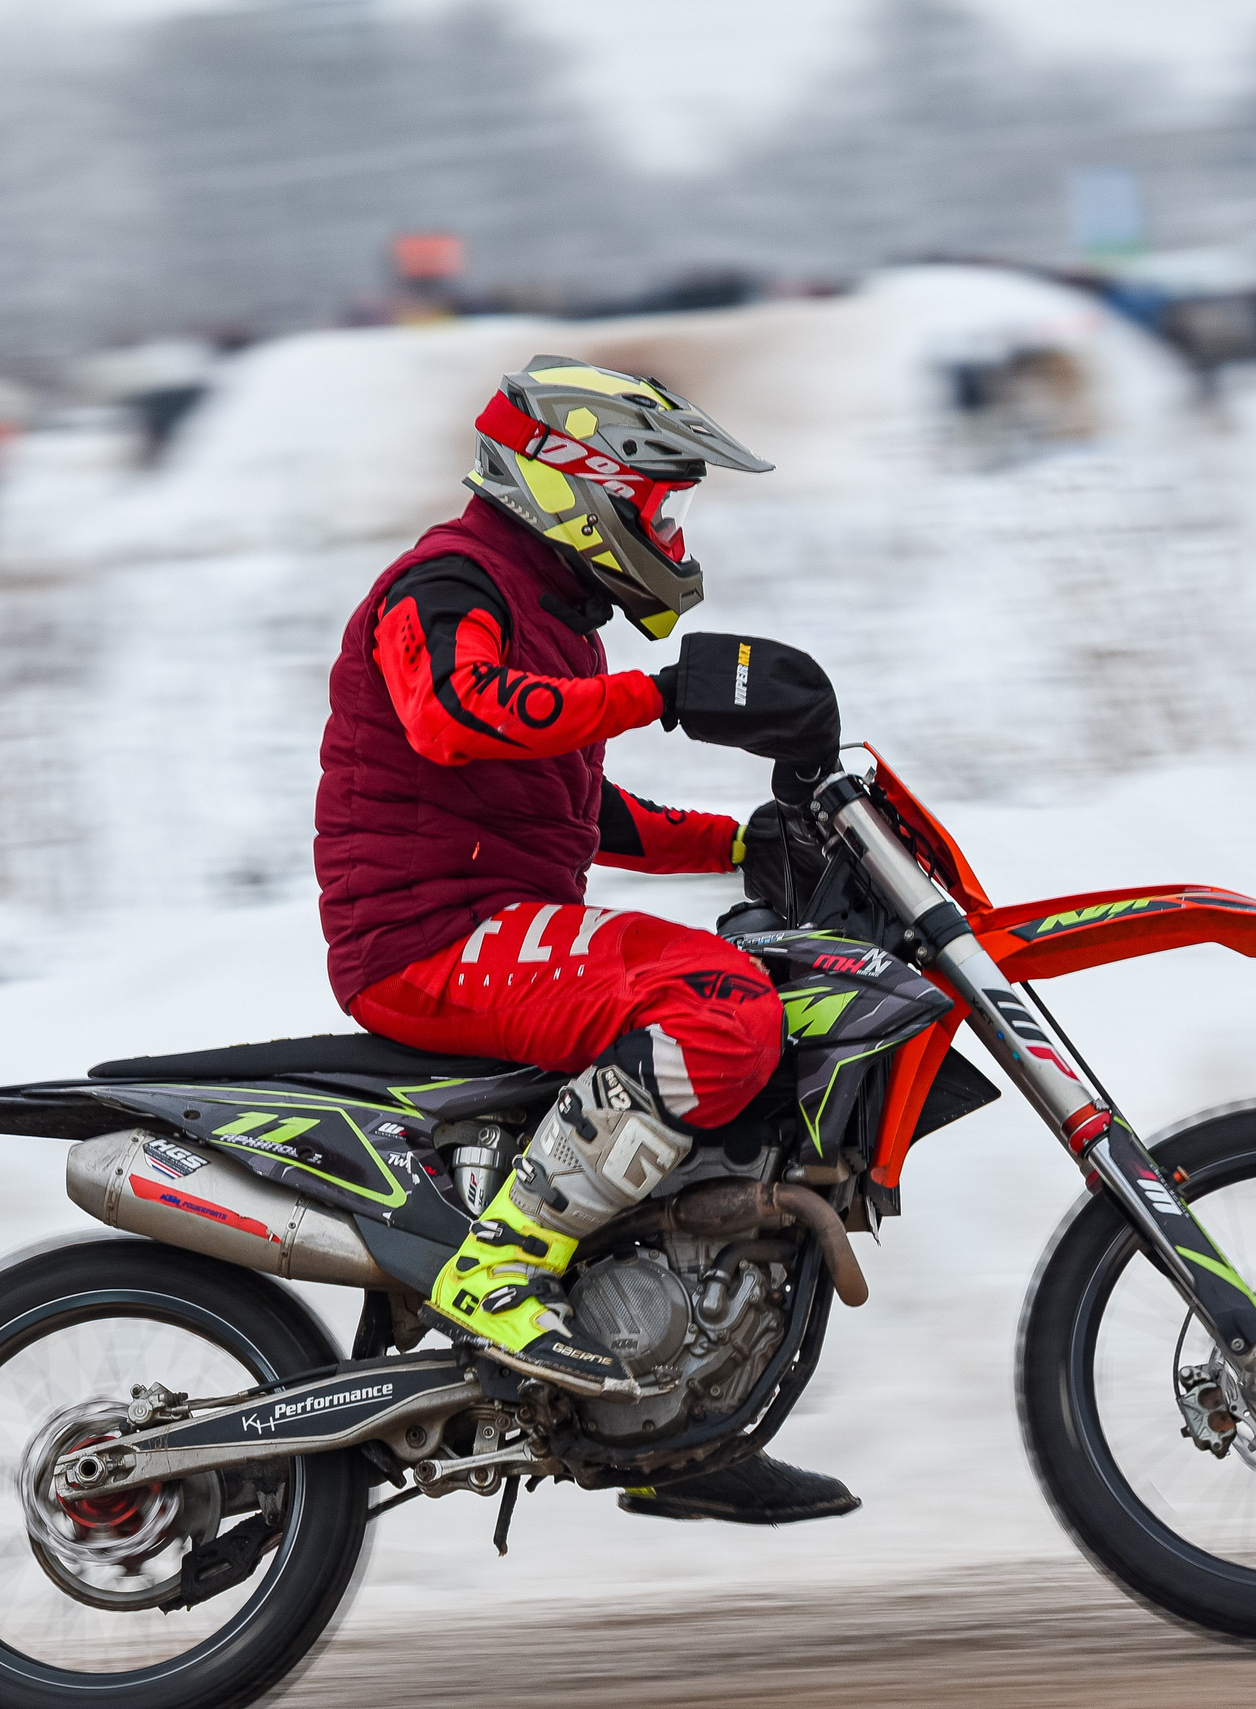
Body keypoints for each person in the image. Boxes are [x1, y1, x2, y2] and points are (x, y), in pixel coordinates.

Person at [314, 357, 854, 1524]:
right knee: (717, 1007)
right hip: (429, 935)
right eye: (658, 504)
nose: (668, 532)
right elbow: (455, 713)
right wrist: (659, 697)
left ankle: (672, 1419)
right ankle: (501, 1266)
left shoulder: (556, 622)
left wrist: (744, 842)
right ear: (577, 482)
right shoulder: (445, 584)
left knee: (747, 1048)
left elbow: (573, 807)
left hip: (493, 917)